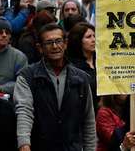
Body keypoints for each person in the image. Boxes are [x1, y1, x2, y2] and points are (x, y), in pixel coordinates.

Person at [14, 23, 96, 151]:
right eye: (49, 43)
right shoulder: (27, 77)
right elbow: (24, 111)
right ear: (39, 48)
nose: (55, 46)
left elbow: (88, 120)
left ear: (65, 43)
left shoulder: (81, 79)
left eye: (58, 41)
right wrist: (24, 143)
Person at [67, 22, 98, 109]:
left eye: (94, 36)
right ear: (78, 40)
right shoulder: (73, 66)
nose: (93, 40)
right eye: (88, 37)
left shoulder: (101, 61)